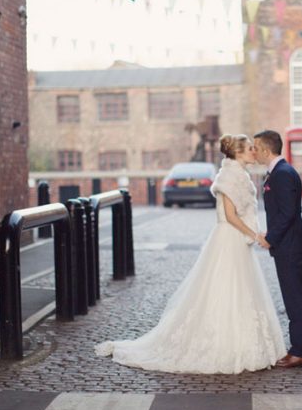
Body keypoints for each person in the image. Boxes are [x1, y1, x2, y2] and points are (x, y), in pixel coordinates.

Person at [94, 134, 286, 374]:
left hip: (239, 242)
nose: (254, 152)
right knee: (224, 290)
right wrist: (255, 234)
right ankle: (221, 346)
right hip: (228, 239)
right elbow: (229, 216)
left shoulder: (242, 175)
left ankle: (244, 343)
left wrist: (252, 233)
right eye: (250, 149)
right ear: (238, 153)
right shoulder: (227, 177)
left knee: (242, 290)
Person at [253, 130, 302, 368]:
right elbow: (283, 211)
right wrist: (271, 232)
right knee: (293, 296)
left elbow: (289, 212)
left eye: (256, 147)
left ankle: (300, 351)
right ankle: (298, 348)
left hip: (289, 244)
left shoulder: (282, 174)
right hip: (287, 242)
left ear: (267, 150)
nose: (253, 151)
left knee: (295, 297)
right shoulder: (280, 172)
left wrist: (271, 238)